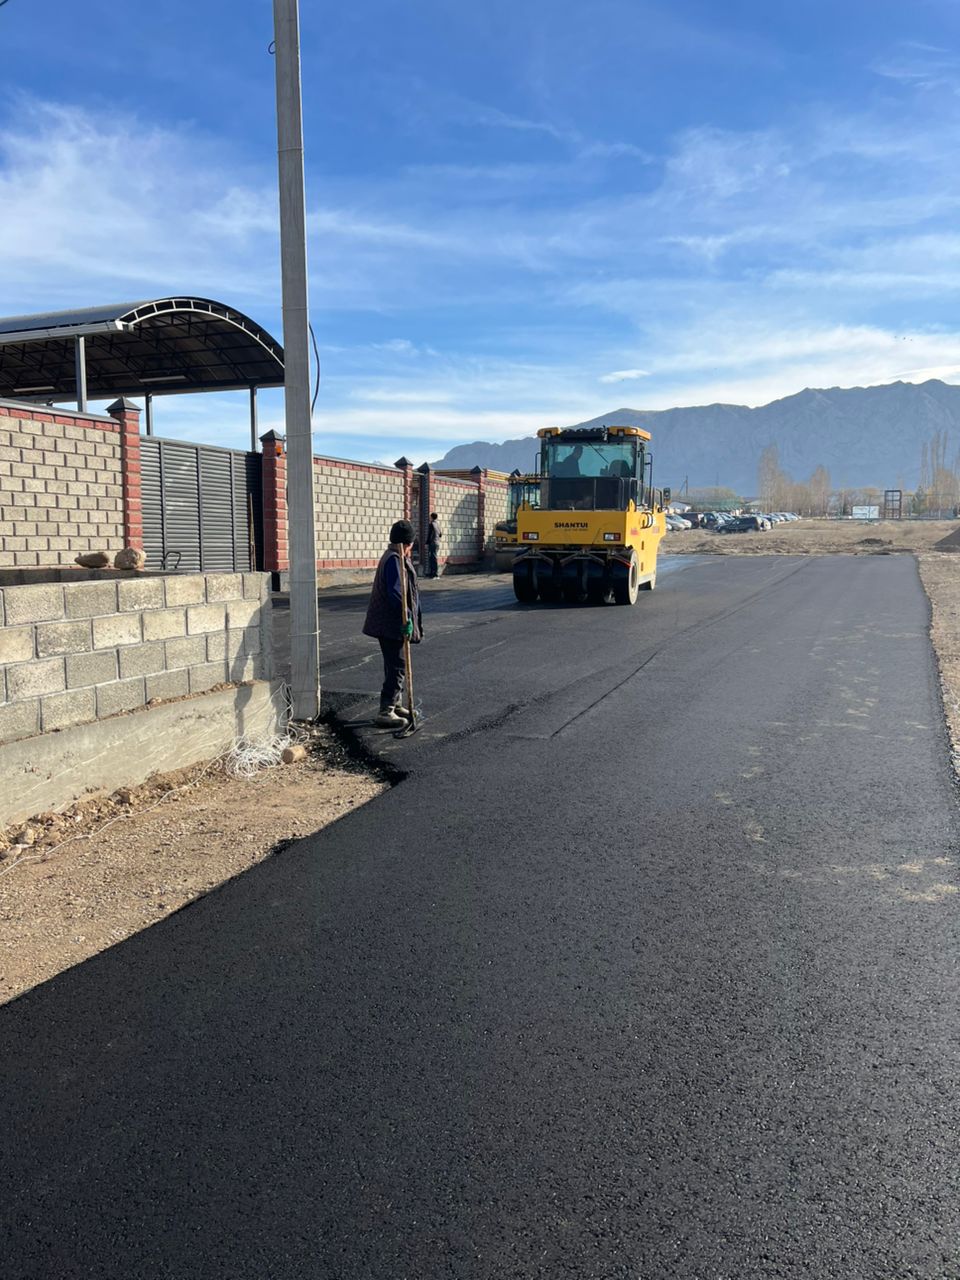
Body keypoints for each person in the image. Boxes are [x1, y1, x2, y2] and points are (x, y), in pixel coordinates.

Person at [362, 519, 423, 728]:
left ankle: (395, 704)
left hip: (390, 622)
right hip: (389, 623)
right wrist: (407, 618)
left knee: (395, 665)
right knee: (397, 665)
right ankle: (386, 710)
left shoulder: (396, 557)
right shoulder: (394, 560)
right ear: (408, 543)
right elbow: (397, 594)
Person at [426, 512, 442, 578]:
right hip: (437, 543)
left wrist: (427, 543)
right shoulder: (438, 525)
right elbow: (440, 534)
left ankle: (434, 574)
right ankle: (433, 573)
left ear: (431, 517)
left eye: (430, 517)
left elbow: (429, 534)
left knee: (432, 558)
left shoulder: (431, 524)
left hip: (432, 543)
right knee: (434, 557)